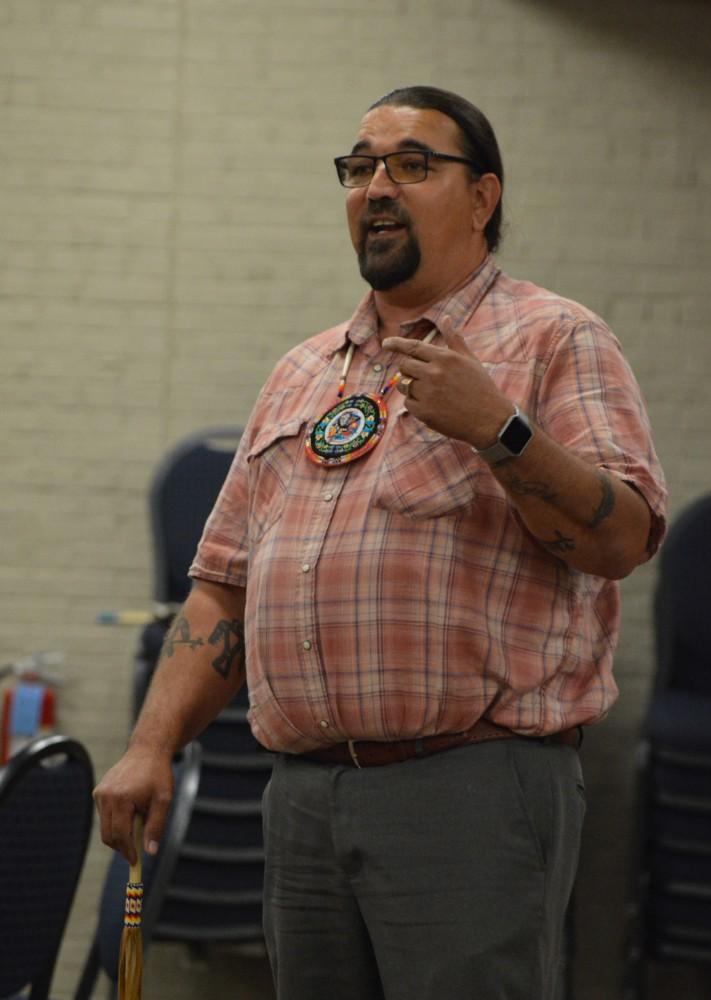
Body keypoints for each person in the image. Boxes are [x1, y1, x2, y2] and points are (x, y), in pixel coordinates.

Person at [94, 86, 667, 999]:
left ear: (481, 198)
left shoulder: (554, 338)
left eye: (410, 164)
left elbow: (623, 540)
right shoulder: (303, 371)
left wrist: (500, 430)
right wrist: (151, 745)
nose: (376, 187)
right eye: (359, 168)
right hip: (304, 798)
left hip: (469, 789)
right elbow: (223, 586)